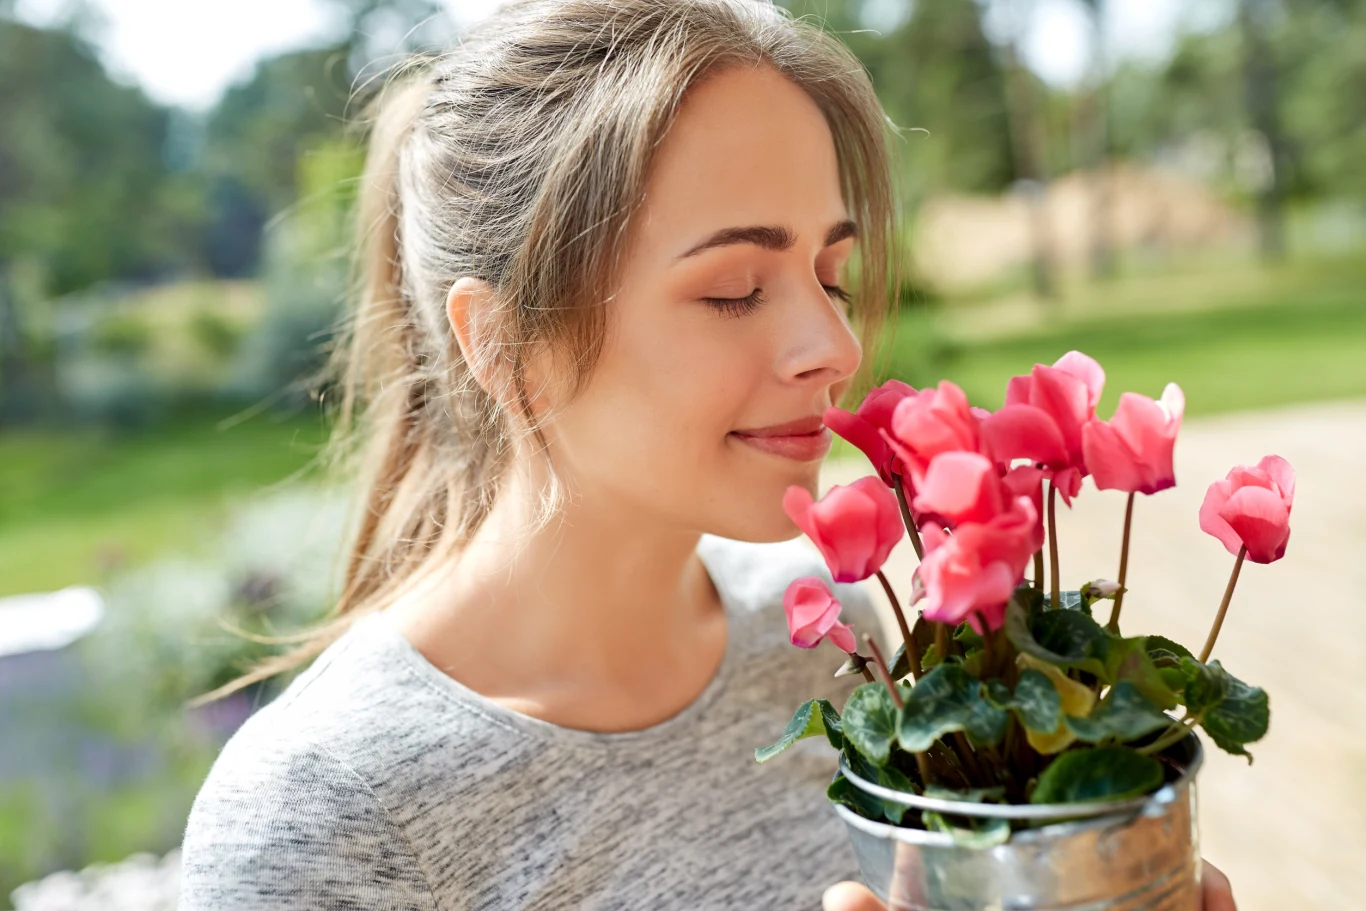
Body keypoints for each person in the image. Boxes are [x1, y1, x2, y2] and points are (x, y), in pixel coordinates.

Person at [178, 1, 1237, 908]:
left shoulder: (828, 634)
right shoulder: (325, 815)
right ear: (500, 343)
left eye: (830, 273)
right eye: (734, 289)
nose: (836, 346)